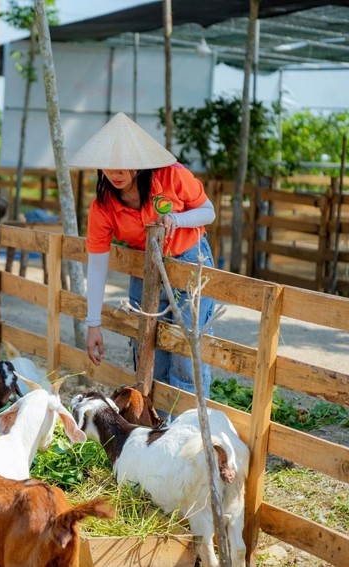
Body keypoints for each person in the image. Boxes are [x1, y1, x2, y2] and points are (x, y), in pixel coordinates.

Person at [69, 112, 216, 401]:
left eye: (123, 164)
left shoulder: (171, 175)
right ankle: (155, 421)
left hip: (189, 257)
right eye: (109, 165)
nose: (116, 173)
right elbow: (97, 266)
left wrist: (177, 219)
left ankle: (188, 422)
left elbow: (208, 212)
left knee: (185, 352)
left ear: (138, 161)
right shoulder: (102, 207)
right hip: (144, 267)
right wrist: (93, 324)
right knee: (147, 349)